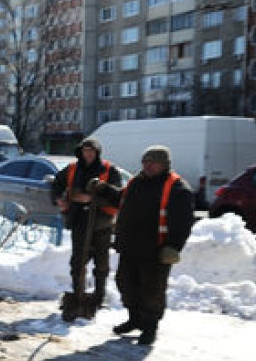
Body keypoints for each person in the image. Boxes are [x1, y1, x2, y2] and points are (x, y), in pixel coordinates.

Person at [95, 144, 195, 346]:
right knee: (126, 284)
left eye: (153, 163)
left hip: (156, 251)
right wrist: (104, 189)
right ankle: (134, 319)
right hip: (130, 247)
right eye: (145, 162)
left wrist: (173, 246)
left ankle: (150, 327)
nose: (147, 166)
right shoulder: (136, 182)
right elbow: (120, 199)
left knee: (152, 291)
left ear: (164, 165)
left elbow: (183, 221)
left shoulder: (176, 188)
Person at [51, 136, 125, 320]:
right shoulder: (72, 169)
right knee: (78, 261)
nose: (88, 154)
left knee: (101, 262)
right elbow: (56, 185)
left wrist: (93, 199)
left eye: (91, 151)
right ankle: (78, 295)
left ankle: (98, 296)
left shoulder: (109, 170)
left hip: (102, 223)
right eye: (85, 151)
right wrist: (58, 199)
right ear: (81, 152)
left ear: (97, 153)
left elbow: (118, 196)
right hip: (79, 222)